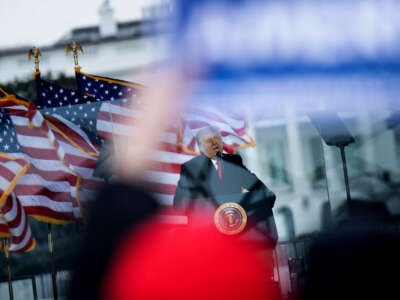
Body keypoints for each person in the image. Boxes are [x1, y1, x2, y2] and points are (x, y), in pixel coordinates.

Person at [174, 125, 278, 247]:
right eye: (209, 140)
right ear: (201, 147)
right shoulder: (192, 168)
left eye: (217, 138)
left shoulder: (234, 162)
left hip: (238, 236)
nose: (214, 143)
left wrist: (263, 202)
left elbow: (261, 190)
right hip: (209, 241)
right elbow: (180, 205)